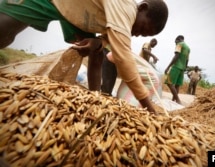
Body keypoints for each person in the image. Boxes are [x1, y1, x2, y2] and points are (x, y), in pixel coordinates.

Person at [0, 0, 168, 113]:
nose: (137, 33)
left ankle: (94, 99)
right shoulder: (127, 10)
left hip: (81, 13)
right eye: (142, 27)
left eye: (142, 35)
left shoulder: (123, 17)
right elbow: (124, 60)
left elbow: (108, 38)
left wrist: (97, 43)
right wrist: (150, 109)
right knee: (5, 29)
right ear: (143, 8)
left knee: (95, 54)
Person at [164, 35, 190, 104]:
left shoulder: (179, 44)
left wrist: (168, 67)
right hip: (182, 68)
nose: (175, 44)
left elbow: (176, 56)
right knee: (177, 85)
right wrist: (185, 67)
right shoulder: (188, 48)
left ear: (178, 39)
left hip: (176, 66)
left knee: (169, 83)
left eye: (175, 42)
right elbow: (187, 59)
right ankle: (173, 100)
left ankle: (178, 100)